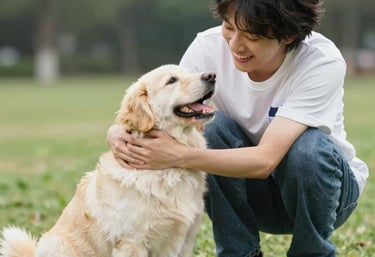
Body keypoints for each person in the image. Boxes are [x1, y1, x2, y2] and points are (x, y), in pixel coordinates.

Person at [106, 0, 369, 256]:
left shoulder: (321, 62)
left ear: (288, 35)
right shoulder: (207, 46)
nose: (234, 45)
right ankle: (238, 252)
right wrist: (117, 132)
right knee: (211, 126)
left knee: (308, 147)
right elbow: (164, 105)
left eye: (251, 36)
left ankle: (312, 252)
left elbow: (266, 160)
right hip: (252, 195)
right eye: (229, 27)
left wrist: (178, 155)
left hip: (326, 195)